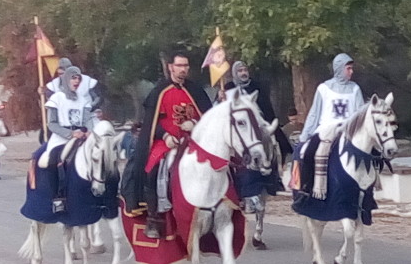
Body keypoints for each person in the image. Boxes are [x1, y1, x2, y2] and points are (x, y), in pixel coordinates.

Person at [123, 52, 212, 239]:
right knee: (152, 168)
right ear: (171, 67)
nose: (183, 69)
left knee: (216, 163)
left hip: (193, 139)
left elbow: (207, 116)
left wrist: (195, 123)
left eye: (186, 66)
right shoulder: (159, 92)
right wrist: (165, 136)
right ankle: (154, 219)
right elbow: (150, 123)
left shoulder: (195, 90)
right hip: (166, 141)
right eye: (179, 66)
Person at [224, 61, 293, 161]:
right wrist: (221, 98)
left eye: (245, 70)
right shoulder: (229, 88)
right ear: (235, 73)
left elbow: (266, 107)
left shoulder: (257, 86)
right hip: (240, 126)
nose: (243, 73)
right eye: (240, 71)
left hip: (259, 121)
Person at [299, 53, 365, 144]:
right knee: (306, 154)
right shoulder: (323, 88)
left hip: (348, 135)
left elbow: (361, 116)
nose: (351, 71)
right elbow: (314, 115)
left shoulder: (355, 89)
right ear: (339, 69)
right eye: (348, 68)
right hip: (324, 134)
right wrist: (304, 137)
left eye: (351, 68)